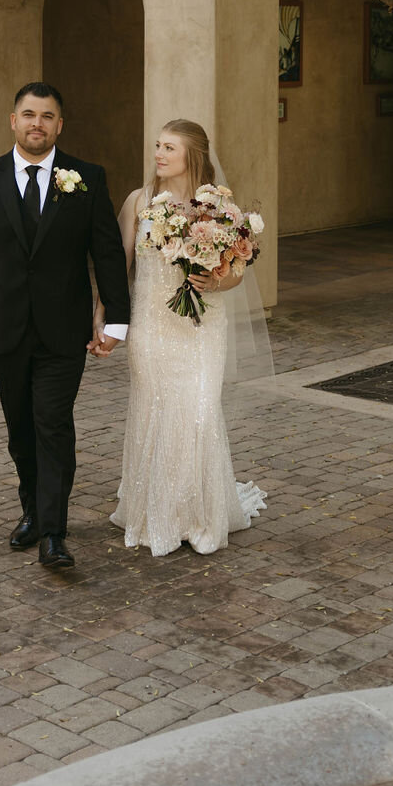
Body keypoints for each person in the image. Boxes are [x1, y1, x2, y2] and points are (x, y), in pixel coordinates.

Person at [0, 83, 130, 570]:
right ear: (13, 120)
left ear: (60, 125)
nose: (37, 124)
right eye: (29, 114)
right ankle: (31, 509)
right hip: (5, 330)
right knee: (20, 430)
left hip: (63, 330)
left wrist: (116, 319)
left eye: (47, 116)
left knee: (52, 423)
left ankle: (53, 531)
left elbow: (108, 253)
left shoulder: (86, 178)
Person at [97, 119, 267, 556]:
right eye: (157, 145)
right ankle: (158, 512)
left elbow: (236, 270)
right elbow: (118, 268)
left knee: (200, 411)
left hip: (202, 327)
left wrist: (215, 283)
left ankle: (198, 515)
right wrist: (105, 316)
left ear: (191, 156)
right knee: (155, 410)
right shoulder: (140, 201)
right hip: (153, 326)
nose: (158, 154)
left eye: (168, 148)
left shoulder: (217, 209)